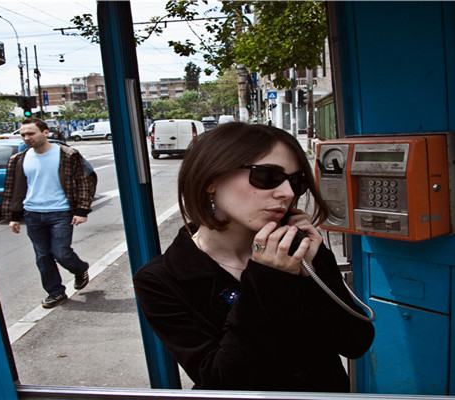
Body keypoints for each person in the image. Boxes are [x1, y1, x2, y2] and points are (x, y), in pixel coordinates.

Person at [133, 122, 374, 392]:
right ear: (210, 179)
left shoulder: (297, 248)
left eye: (296, 181)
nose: (287, 193)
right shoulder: (162, 280)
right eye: (267, 176)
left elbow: (355, 342)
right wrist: (267, 279)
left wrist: (313, 275)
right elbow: (222, 380)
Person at [2, 118, 92, 308]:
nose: (27, 138)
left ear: (45, 132)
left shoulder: (68, 154)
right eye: (23, 134)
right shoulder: (19, 159)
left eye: (31, 133)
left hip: (61, 212)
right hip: (33, 213)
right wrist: (13, 217)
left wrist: (82, 210)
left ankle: (80, 268)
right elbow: (12, 189)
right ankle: (56, 292)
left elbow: (83, 182)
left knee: (61, 253)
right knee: (42, 256)